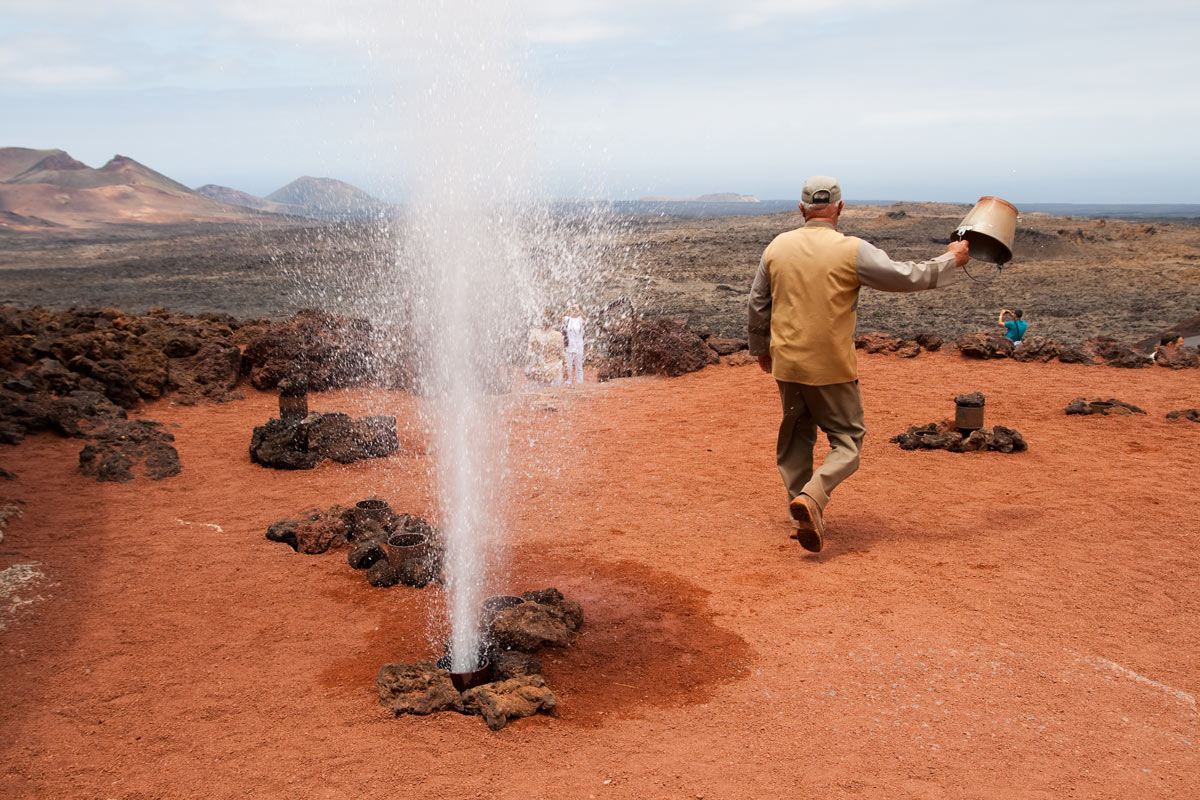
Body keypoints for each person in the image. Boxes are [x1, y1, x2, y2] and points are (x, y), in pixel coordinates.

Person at [748, 176, 970, 553]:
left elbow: (757, 303)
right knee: (848, 441)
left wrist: (761, 350)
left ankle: (796, 512)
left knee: (795, 439)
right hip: (831, 366)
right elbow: (906, 276)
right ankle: (813, 498)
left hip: (787, 365)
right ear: (841, 208)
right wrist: (951, 259)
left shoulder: (776, 247)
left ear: (801, 210)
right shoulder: (851, 250)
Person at [563, 305, 586, 385]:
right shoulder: (568, 319)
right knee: (568, 366)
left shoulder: (581, 319)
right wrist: (567, 310)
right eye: (573, 308)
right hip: (569, 345)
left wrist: (579, 312)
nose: (574, 310)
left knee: (579, 365)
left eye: (576, 308)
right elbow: (561, 318)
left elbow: (585, 318)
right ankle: (569, 381)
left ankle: (580, 381)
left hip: (579, 345)